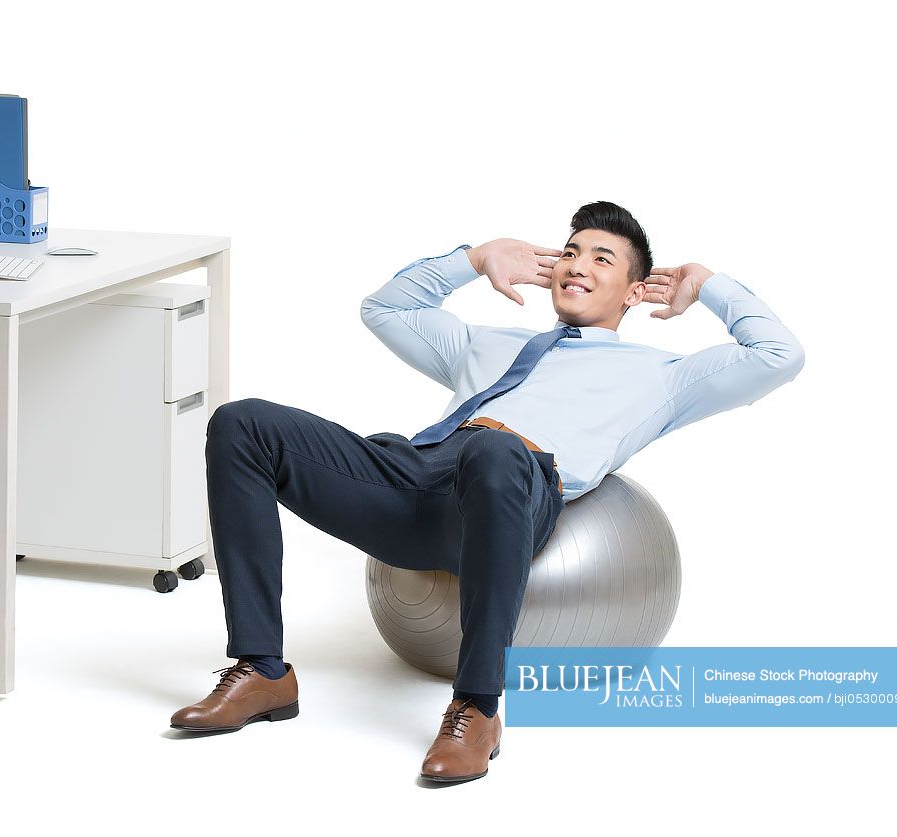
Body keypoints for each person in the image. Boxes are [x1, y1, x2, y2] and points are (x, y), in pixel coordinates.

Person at [168, 201, 805, 784]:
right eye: (570, 252)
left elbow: (779, 354)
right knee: (242, 422)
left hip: (507, 492)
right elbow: (384, 309)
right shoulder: (486, 343)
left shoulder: (662, 376)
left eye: (600, 258)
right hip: (410, 481)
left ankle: (476, 708)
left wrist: (710, 284)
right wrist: (473, 260)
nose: (576, 265)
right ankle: (263, 671)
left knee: (496, 447)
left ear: (636, 290)